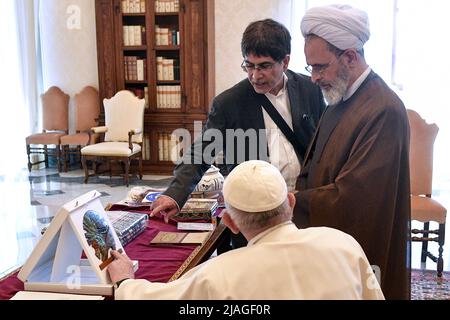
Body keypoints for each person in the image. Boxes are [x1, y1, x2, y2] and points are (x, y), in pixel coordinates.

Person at [150, 19, 326, 249]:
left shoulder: (310, 89)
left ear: (285, 61)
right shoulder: (229, 103)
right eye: (249, 66)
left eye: (263, 66)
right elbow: (201, 151)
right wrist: (174, 194)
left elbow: (323, 143)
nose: (255, 75)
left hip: (303, 204)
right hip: (256, 213)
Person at [108, 160, 385, 300]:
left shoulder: (219, 275)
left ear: (229, 222)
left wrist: (124, 283)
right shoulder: (343, 244)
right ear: (290, 202)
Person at [294, 4, 411, 300]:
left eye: (320, 67)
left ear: (349, 57)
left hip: (359, 255)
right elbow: (313, 162)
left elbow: (356, 200)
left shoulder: (383, 109)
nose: (314, 78)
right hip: (324, 247)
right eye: (311, 67)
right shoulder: (339, 96)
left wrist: (291, 201)